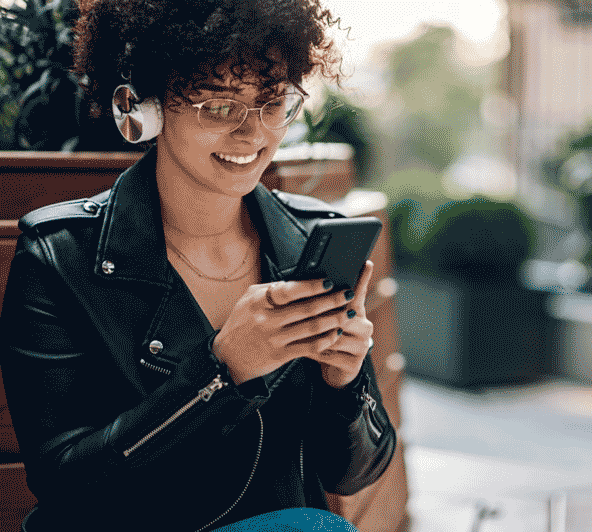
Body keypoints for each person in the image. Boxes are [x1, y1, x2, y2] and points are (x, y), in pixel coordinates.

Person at [0, 0, 396, 530]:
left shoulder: (307, 240)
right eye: (220, 106)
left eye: (272, 101)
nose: (253, 134)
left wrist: (345, 383)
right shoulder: (59, 257)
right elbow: (67, 485)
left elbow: (351, 476)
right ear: (141, 110)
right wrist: (221, 375)